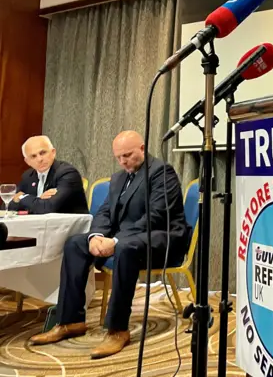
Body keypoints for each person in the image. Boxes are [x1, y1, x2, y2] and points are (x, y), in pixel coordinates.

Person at [29, 130, 189, 359]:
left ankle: (117, 329)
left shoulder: (162, 172)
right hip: (124, 237)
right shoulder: (118, 178)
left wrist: (114, 241)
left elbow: (156, 216)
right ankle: (71, 320)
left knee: (125, 248)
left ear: (142, 149)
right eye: (118, 157)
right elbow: (104, 213)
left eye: (128, 155)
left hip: (160, 238)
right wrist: (96, 236)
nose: (123, 161)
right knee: (75, 243)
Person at [9, 135, 88, 214]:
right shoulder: (28, 176)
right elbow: (7, 206)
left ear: (53, 153)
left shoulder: (67, 173)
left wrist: (21, 197)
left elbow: (47, 208)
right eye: (33, 156)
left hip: (68, 224)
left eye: (42, 153)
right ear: (27, 161)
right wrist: (38, 200)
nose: (39, 159)